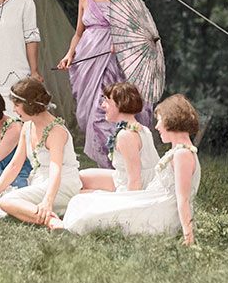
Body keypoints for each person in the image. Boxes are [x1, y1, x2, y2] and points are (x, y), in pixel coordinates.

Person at [56, 0, 154, 168]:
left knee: (107, 110)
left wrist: (120, 42)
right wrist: (69, 54)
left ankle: (116, 163)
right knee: (87, 115)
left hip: (114, 61)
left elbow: (139, 29)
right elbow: (78, 33)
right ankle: (107, 164)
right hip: (88, 59)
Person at [58, 94, 201, 244]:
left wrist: (188, 236)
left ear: (172, 121)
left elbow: (183, 199)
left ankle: (63, 227)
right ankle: (64, 225)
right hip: (152, 201)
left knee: (90, 213)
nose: (157, 127)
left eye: (159, 121)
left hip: (160, 212)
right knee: (80, 200)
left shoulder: (183, 154)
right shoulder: (178, 150)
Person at [0, 75, 81, 227]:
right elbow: (15, 165)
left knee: (6, 201)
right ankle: (34, 213)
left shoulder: (56, 132)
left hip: (60, 185)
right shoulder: (27, 126)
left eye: (16, 105)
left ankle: (50, 220)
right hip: (37, 183)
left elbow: (55, 170)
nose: (14, 110)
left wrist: (47, 201)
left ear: (29, 104)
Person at [78, 82, 159, 193]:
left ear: (120, 103)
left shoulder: (126, 136)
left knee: (80, 196)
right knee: (81, 178)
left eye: (107, 100)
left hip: (138, 188)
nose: (102, 105)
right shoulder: (139, 128)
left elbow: (135, 181)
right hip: (125, 178)